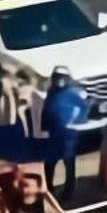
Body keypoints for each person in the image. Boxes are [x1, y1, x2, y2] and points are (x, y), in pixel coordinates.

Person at [40, 67, 87, 204]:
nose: (59, 80)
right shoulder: (51, 92)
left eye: (62, 77)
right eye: (57, 77)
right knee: (49, 166)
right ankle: (49, 191)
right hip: (52, 137)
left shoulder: (72, 94)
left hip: (68, 137)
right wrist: (43, 127)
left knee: (69, 166)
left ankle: (68, 195)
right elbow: (46, 109)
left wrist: (77, 120)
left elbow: (84, 107)